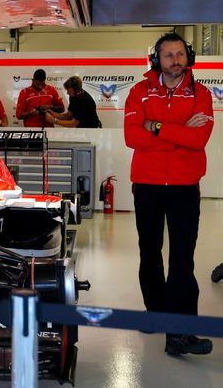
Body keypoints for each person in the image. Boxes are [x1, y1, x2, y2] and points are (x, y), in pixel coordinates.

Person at [124, 32, 214, 356]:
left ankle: (181, 332)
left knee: (182, 259)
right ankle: (155, 312)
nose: (175, 60)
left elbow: (198, 139)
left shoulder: (201, 94)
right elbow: (132, 136)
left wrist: (157, 126)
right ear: (156, 60)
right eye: (168, 55)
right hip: (147, 186)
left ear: (188, 56)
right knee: (149, 252)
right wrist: (180, 131)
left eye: (180, 54)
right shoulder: (138, 92)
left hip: (184, 188)